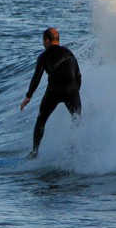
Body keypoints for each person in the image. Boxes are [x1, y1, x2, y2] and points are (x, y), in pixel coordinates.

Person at [20, 28, 82, 159]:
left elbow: (36, 77)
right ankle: (74, 150)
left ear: (47, 40)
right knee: (76, 119)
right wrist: (75, 93)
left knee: (41, 119)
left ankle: (34, 152)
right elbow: (78, 75)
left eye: (43, 41)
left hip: (54, 90)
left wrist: (28, 96)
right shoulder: (69, 53)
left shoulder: (44, 56)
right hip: (72, 90)